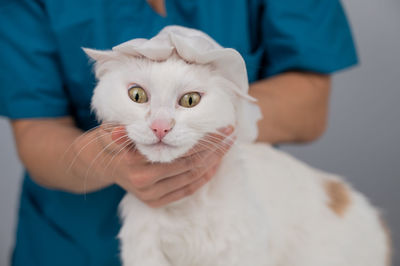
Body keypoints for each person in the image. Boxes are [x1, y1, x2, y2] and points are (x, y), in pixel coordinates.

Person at [0, 0, 357, 265]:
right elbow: (35, 127)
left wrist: (210, 125)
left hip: (233, 232)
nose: (161, 124)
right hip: (71, 245)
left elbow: (309, 106)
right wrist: (106, 159)